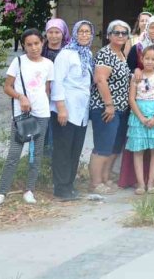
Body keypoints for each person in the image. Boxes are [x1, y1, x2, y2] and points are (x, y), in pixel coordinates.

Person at [0, 29, 54, 209]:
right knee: (14, 153)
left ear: (42, 43)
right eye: (29, 44)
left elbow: (46, 89)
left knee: (36, 153)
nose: (33, 48)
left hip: (41, 113)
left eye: (37, 43)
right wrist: (21, 97)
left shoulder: (48, 64)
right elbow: (7, 87)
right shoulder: (17, 62)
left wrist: (45, 104)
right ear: (24, 46)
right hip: (21, 114)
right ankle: (1, 193)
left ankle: (29, 190)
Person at [50, 20, 94, 201]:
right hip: (65, 108)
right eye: (81, 32)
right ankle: (60, 188)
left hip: (81, 110)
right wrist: (61, 108)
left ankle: (69, 184)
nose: (84, 35)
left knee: (75, 150)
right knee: (63, 149)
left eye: (87, 32)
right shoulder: (65, 54)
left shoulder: (87, 54)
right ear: (75, 34)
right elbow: (57, 82)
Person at [89, 20, 133, 194]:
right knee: (102, 146)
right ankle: (95, 182)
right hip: (105, 108)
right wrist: (109, 104)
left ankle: (105, 178)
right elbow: (100, 80)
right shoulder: (105, 53)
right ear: (109, 35)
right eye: (117, 32)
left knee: (113, 146)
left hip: (120, 109)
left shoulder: (121, 54)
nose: (120, 36)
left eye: (124, 33)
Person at [125, 45, 154, 194]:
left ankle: (151, 183)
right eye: (146, 58)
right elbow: (131, 98)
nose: (149, 61)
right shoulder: (136, 76)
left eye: (153, 59)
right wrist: (141, 117)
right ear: (141, 59)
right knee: (138, 150)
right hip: (138, 114)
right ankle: (140, 184)